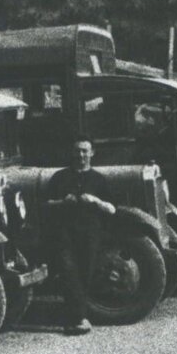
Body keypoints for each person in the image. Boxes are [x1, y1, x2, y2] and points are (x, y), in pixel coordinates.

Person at [42, 139, 116, 336]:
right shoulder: (60, 177)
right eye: (77, 151)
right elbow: (45, 205)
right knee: (68, 271)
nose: (81, 155)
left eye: (85, 151)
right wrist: (62, 202)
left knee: (85, 272)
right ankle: (79, 319)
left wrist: (95, 200)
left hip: (90, 234)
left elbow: (112, 209)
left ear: (92, 153)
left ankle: (76, 316)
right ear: (72, 153)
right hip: (63, 233)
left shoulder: (99, 179)